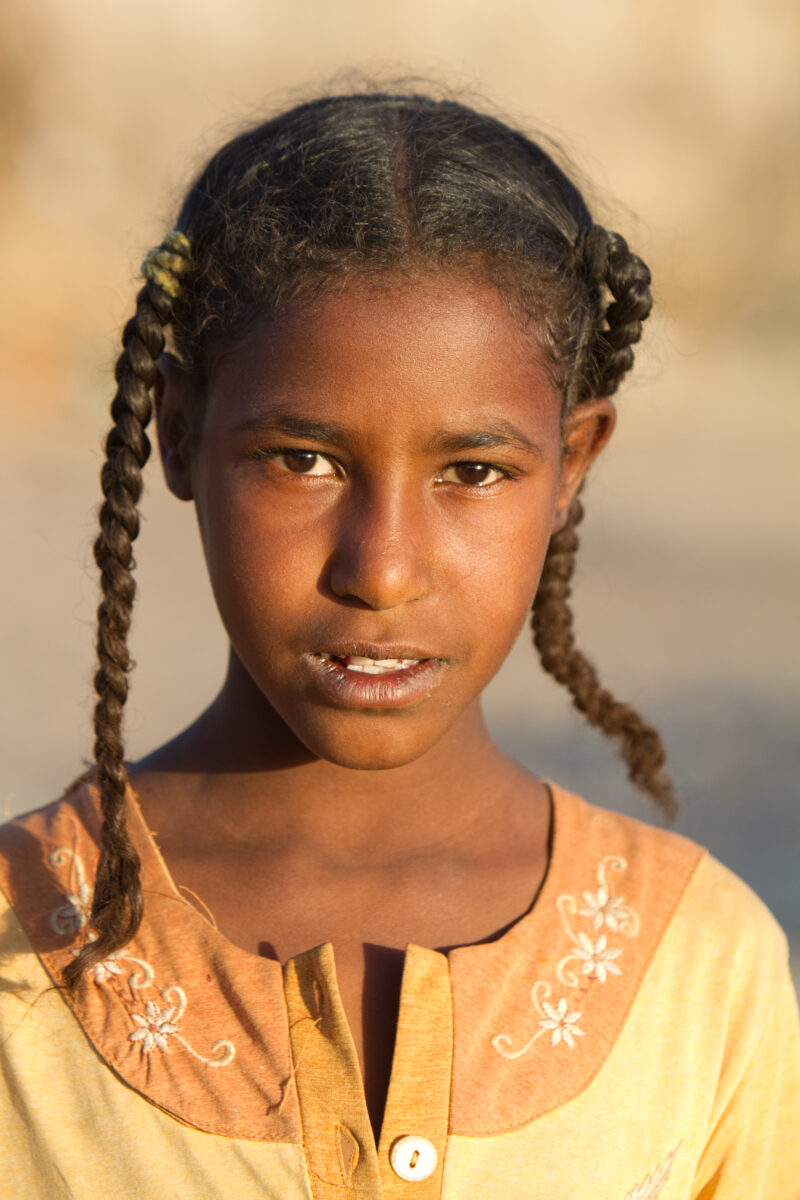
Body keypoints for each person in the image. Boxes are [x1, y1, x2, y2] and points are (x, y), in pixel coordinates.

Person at [1, 91, 797, 1200]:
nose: (379, 569)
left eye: (471, 473)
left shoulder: (699, 965)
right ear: (177, 432)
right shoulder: (16, 955)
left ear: (572, 464)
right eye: (301, 460)